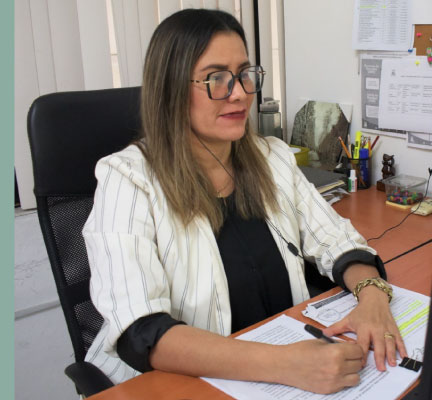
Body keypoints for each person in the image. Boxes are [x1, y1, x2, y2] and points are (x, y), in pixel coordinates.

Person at [81, 9, 405, 394]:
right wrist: (285, 365)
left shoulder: (271, 158)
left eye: (244, 74)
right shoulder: (128, 179)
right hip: (178, 385)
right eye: (216, 78)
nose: (239, 93)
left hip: (279, 364)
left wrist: (372, 297)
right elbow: (142, 331)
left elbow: (340, 243)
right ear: (170, 89)